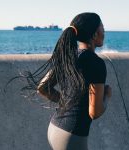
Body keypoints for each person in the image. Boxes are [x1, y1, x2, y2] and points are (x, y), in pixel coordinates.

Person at [24, 12, 112, 150]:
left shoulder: (68, 56)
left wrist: (66, 102)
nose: (104, 31)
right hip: (72, 136)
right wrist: (106, 96)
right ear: (94, 35)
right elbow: (95, 112)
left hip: (55, 128)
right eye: (102, 27)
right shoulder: (96, 64)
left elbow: (43, 87)